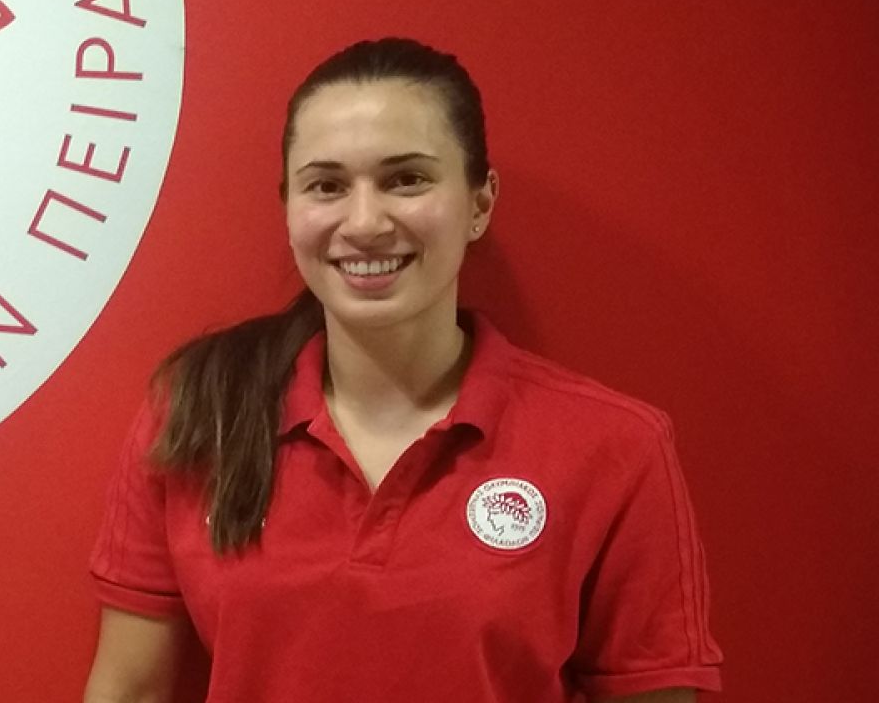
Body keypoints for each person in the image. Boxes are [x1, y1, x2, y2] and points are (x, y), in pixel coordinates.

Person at [83, 38, 721, 703]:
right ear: (290, 208)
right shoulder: (200, 411)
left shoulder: (614, 447)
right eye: (327, 186)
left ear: (480, 203)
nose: (364, 222)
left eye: (406, 179)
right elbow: (130, 691)